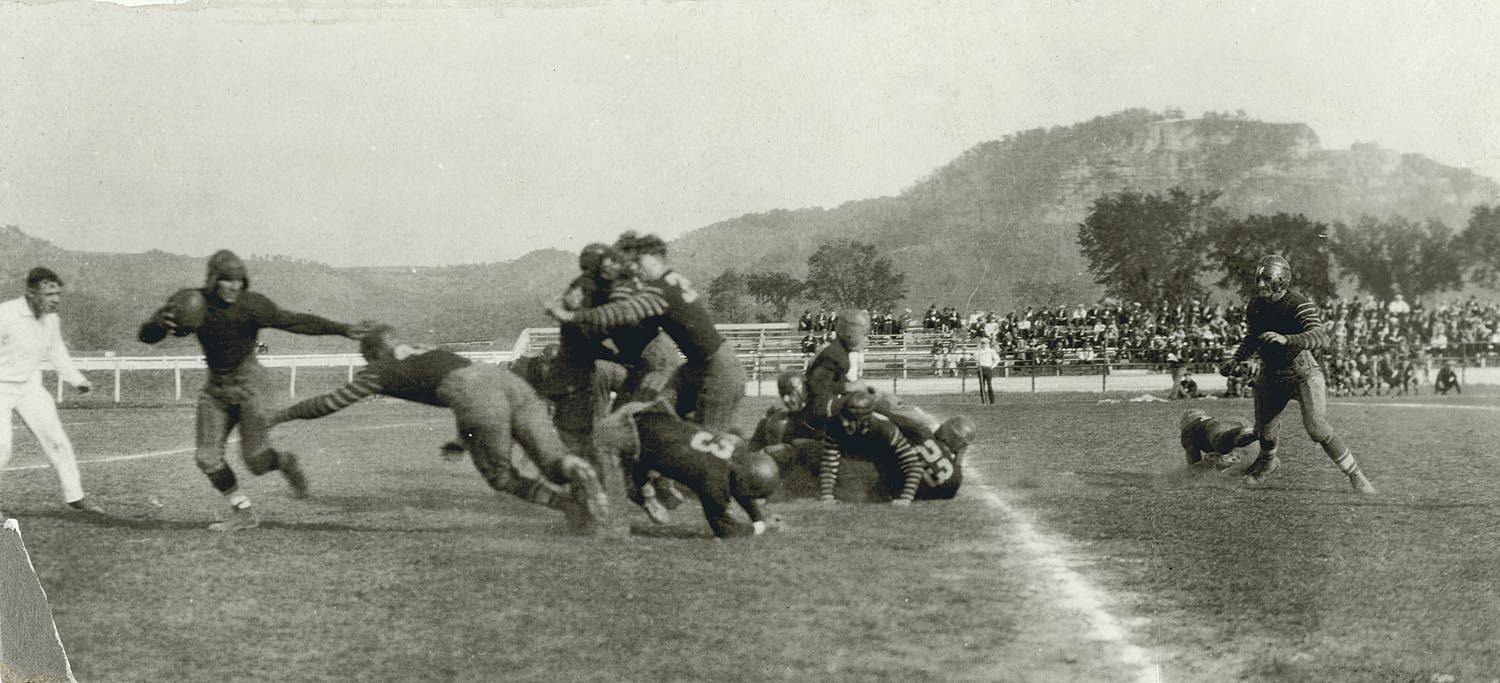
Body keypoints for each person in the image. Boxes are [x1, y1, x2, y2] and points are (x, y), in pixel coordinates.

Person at [267, 325, 609, 531]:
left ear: (371, 354)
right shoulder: (428, 351)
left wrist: (281, 415)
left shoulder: (378, 370)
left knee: (501, 477)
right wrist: (464, 439)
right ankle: (580, 473)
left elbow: (328, 403)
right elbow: (468, 389)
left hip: (476, 395)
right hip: (506, 382)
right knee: (552, 462)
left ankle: (570, 507)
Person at [138, 250, 369, 531]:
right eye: (226, 280)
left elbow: (295, 321)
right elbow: (148, 337)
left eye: (238, 280)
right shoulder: (193, 301)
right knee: (206, 458)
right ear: (213, 280)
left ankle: (284, 461)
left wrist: (343, 329)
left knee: (257, 463)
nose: (233, 286)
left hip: (252, 387)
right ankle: (243, 512)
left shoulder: (252, 305)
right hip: (216, 390)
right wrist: (157, 322)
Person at [545, 232, 743, 430]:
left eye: (638, 261)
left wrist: (572, 316)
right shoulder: (671, 280)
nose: (635, 268)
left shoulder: (659, 290)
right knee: (644, 416)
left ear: (651, 258)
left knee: (707, 443)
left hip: (716, 369)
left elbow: (622, 313)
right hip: (697, 366)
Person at [1220, 255, 1376, 493]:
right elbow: (1252, 338)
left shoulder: (1298, 303)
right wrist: (1235, 359)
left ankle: (1355, 474)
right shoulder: (1255, 306)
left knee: (1316, 427)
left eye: (1266, 279)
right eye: (1258, 280)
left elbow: (1319, 335)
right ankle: (1267, 463)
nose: (1261, 284)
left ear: (1281, 280)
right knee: (1265, 429)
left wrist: (1287, 339)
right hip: (1271, 373)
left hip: (1302, 372)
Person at [0, 268, 104, 515]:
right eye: (49, 294)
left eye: (57, 293)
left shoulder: (51, 319)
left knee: (57, 441)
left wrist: (77, 380)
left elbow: (56, 351)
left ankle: (75, 496)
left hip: (30, 386)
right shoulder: (5, 314)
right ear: (31, 293)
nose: (55, 299)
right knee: (2, 447)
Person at [592, 401, 779, 538]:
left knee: (655, 473)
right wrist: (760, 528)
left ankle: (645, 496)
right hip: (619, 435)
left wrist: (758, 518)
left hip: (640, 412)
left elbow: (740, 479)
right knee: (617, 524)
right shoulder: (714, 482)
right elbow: (725, 529)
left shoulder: (734, 455)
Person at [817, 392, 968, 505]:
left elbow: (912, 465)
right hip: (940, 488)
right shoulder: (955, 478)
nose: (844, 423)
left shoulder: (891, 429)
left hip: (895, 483)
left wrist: (904, 499)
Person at [1179, 409, 1255, 469]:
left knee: (1220, 444)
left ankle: (1241, 431)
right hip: (1240, 420)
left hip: (1216, 427)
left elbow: (1193, 463)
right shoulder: (1206, 420)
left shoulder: (1188, 430)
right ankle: (1250, 431)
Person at [974, 339, 1000, 404]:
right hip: (981, 368)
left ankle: (992, 401)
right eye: (982, 343)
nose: (983, 345)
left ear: (987, 343)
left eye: (985, 343)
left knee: (989, 385)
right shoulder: (978, 351)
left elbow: (997, 359)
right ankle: (983, 401)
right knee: (982, 386)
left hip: (988, 368)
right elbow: (975, 358)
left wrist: (993, 366)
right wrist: (977, 350)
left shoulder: (991, 351)